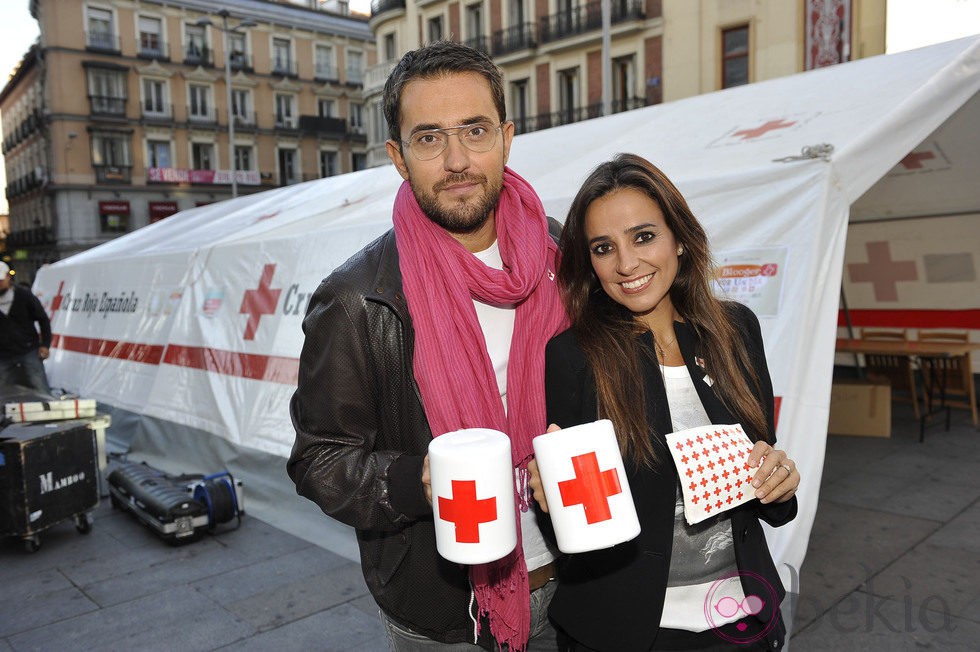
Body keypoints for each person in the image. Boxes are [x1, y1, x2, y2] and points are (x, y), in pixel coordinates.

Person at [287, 41, 568, 651]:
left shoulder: (562, 257)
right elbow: (319, 461)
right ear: (398, 156)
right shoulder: (359, 298)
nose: (458, 159)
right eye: (430, 137)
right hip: (445, 616)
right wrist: (424, 480)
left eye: (475, 130)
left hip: (579, 583)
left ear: (507, 137)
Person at [530, 154, 800, 651]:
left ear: (679, 238)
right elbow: (575, 527)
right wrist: (553, 500)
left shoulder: (736, 331)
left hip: (742, 618)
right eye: (603, 247)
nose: (627, 264)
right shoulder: (572, 357)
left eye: (643, 236)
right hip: (627, 631)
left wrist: (779, 483)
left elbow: (766, 485)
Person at [0, 261, 53, 394]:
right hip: (3, 355)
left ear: (8, 277)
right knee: (4, 393)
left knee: (41, 389)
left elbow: (43, 319)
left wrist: (45, 345)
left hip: (28, 351)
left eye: (0, 280)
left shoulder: (24, 295)